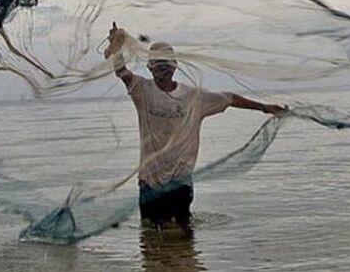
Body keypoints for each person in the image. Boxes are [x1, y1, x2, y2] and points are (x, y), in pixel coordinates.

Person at [104, 22, 286, 231]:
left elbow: (231, 99)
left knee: (183, 230)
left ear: (174, 67)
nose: (162, 70)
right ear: (150, 68)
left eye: (166, 65)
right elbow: (122, 72)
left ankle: (186, 263)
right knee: (151, 234)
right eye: (157, 65)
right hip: (149, 181)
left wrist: (265, 108)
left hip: (181, 179)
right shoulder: (142, 90)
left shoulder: (193, 97)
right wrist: (115, 46)